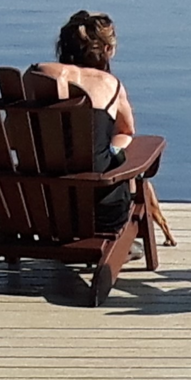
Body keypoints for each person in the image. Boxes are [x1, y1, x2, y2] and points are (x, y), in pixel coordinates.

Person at [28, 11, 139, 230]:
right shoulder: (111, 85)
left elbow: (15, 133)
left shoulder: (37, 74)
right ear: (107, 50)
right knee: (132, 160)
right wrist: (114, 151)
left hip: (34, 206)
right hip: (99, 212)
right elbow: (126, 132)